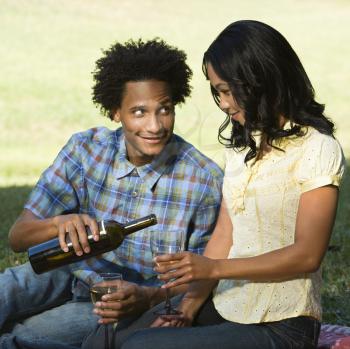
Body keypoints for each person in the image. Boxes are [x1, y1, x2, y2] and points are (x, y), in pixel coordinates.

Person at [86, 20, 346, 349]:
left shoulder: (317, 148)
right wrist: (186, 309)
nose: (222, 103)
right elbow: (224, 235)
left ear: (258, 80)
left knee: (143, 346)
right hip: (227, 303)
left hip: (282, 324)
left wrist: (213, 267)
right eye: (217, 91)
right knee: (108, 336)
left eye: (225, 90)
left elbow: (307, 255)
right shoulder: (242, 147)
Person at [0, 39, 223, 349]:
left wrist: (148, 299)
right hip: (62, 270)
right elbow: (18, 237)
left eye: (165, 110)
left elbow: (202, 279)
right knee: (7, 291)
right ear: (115, 111)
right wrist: (58, 225)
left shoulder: (203, 181)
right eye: (139, 112)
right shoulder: (85, 150)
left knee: (23, 337)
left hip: (112, 301)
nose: (155, 125)